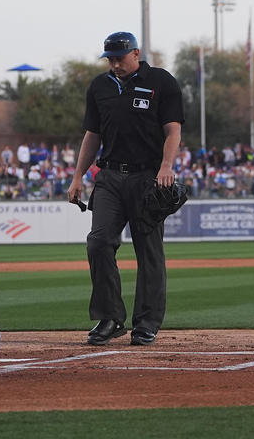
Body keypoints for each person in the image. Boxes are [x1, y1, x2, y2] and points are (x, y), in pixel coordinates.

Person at [67, 31, 185, 347]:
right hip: (109, 177)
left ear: (136, 53)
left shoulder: (161, 81)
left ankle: (146, 323)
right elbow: (92, 135)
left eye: (119, 58)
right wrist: (78, 176)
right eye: (110, 59)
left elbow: (173, 130)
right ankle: (110, 318)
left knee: (149, 251)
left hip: (148, 177)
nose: (115, 64)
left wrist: (166, 166)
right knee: (98, 242)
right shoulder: (100, 86)